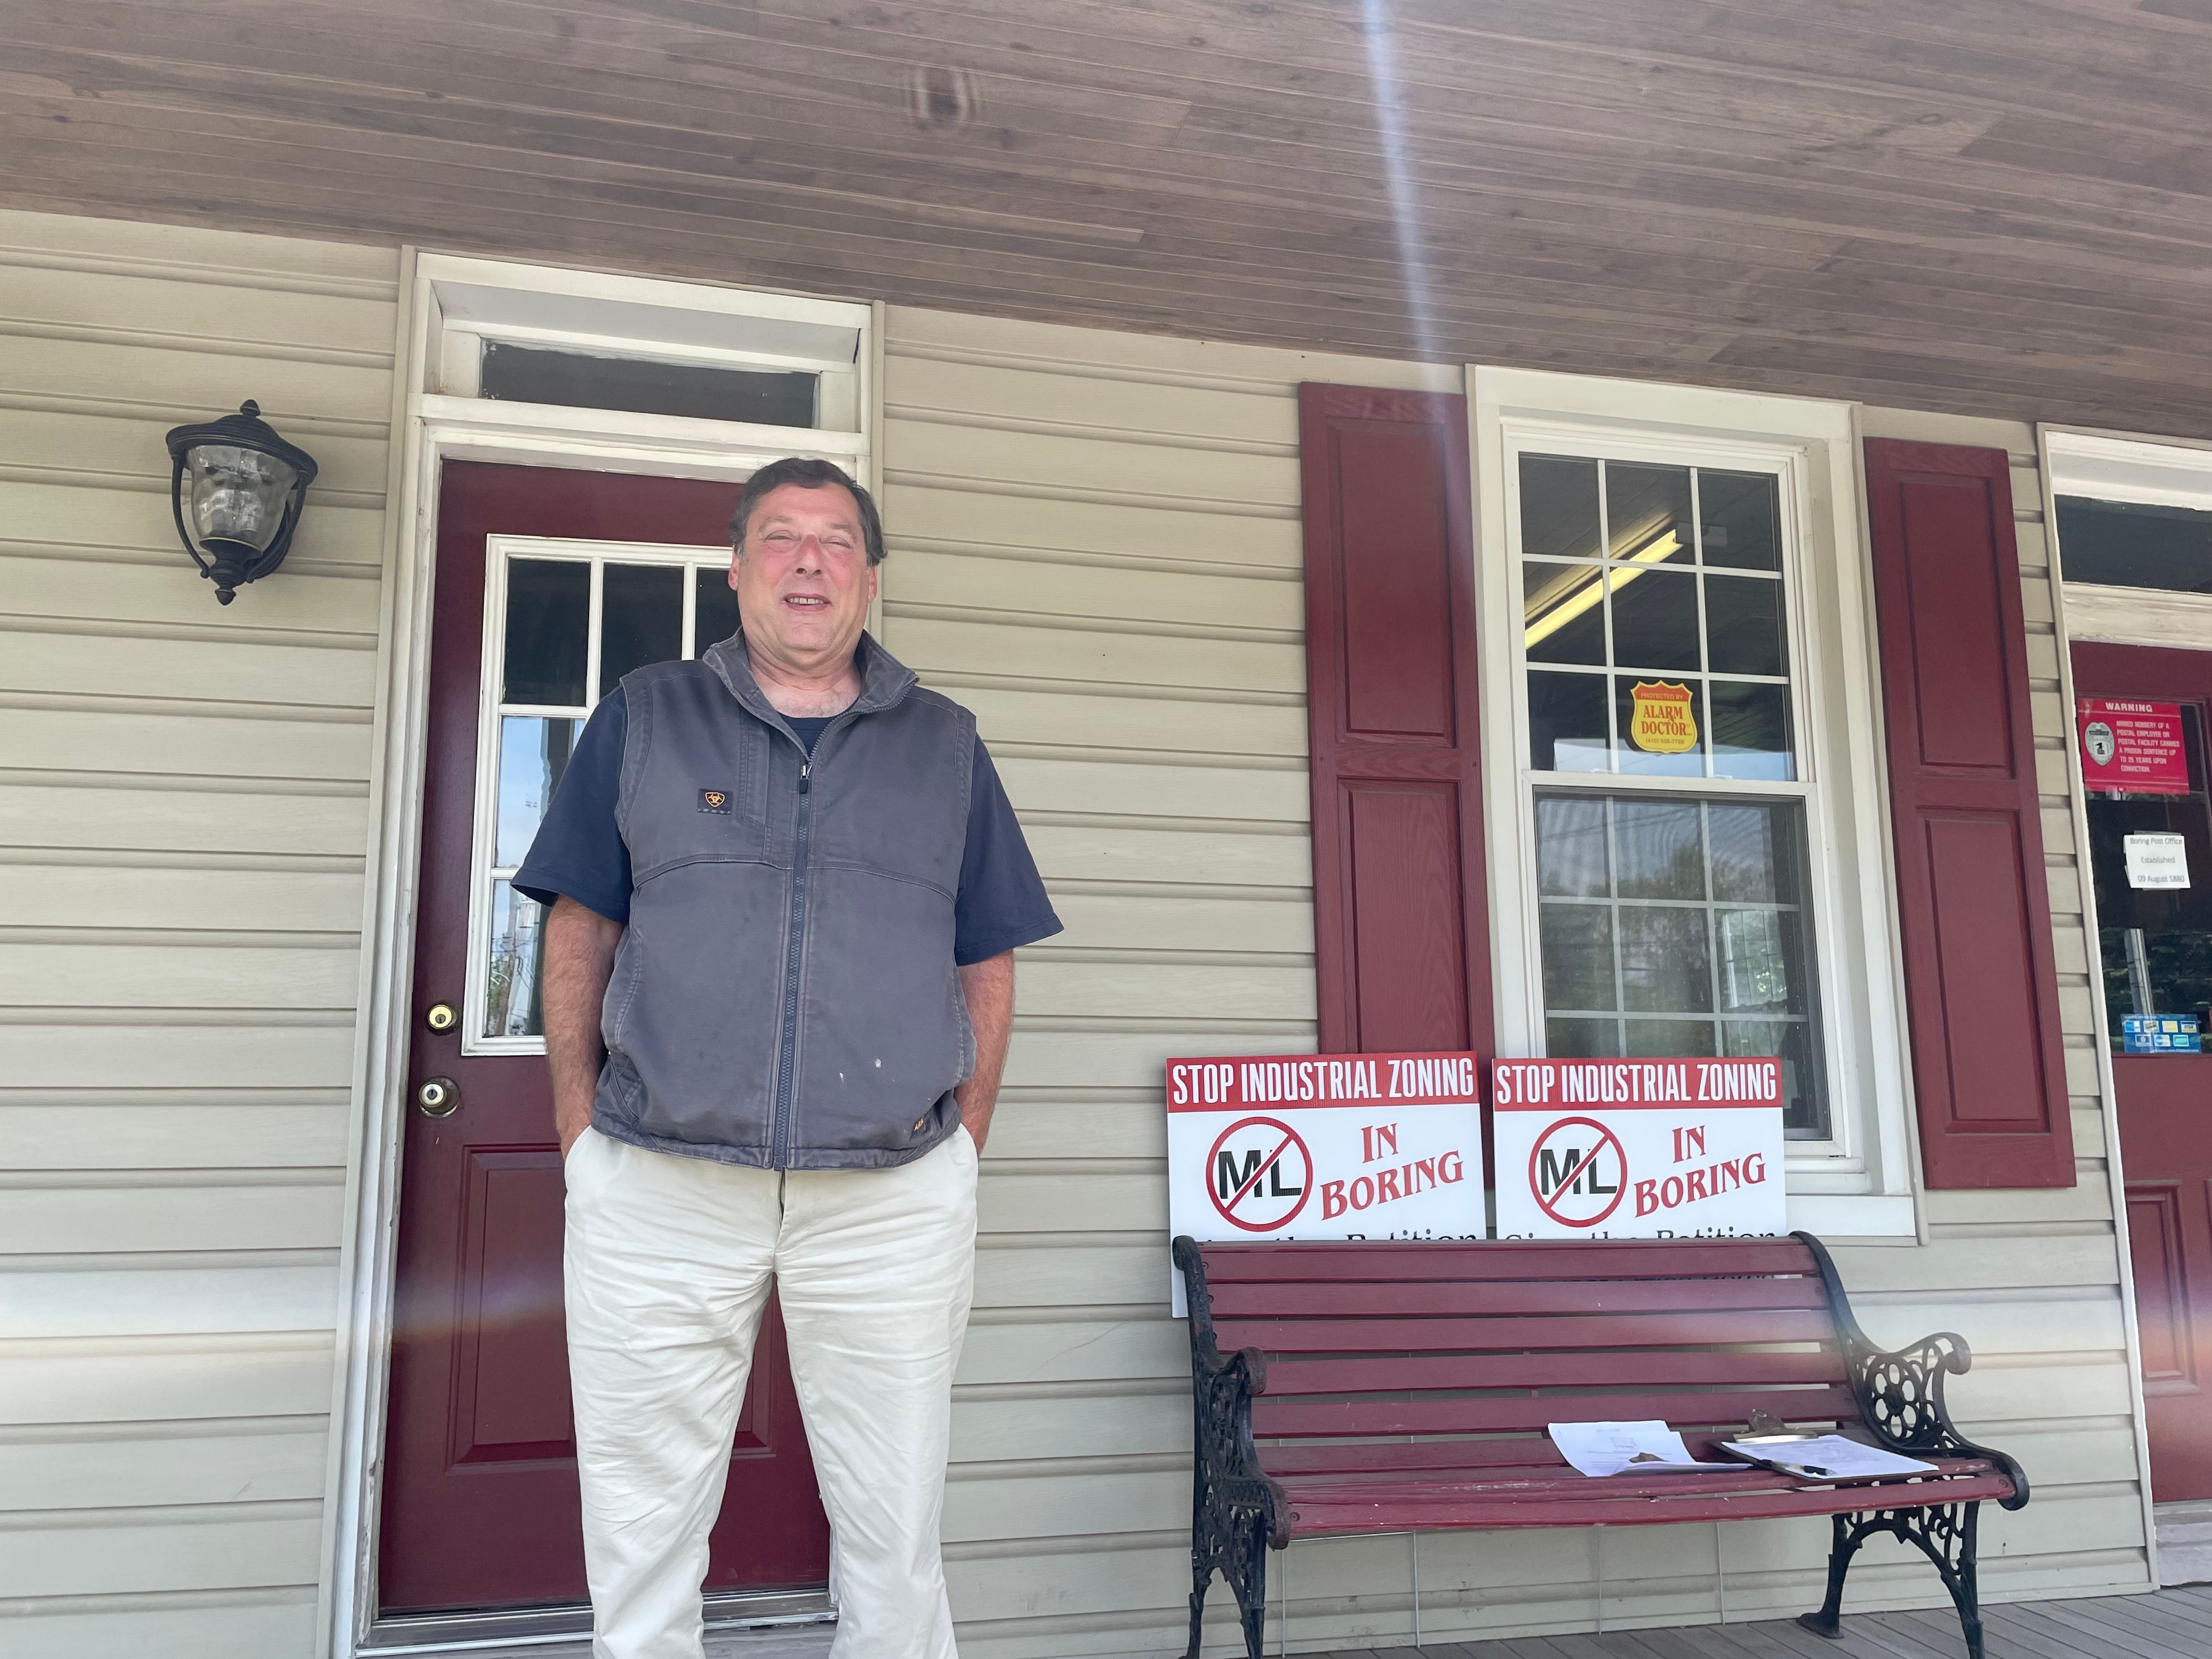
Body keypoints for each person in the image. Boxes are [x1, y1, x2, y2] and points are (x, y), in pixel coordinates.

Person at [514, 457, 1062, 1659]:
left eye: (835, 541)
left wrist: (959, 1148)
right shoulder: (645, 716)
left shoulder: (947, 745)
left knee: (893, 1523)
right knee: (644, 1523)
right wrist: (578, 1137)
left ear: (871, 577)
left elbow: (990, 954)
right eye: (781, 538)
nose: (809, 561)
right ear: (737, 568)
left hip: (889, 1198)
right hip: (661, 1180)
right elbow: (578, 926)